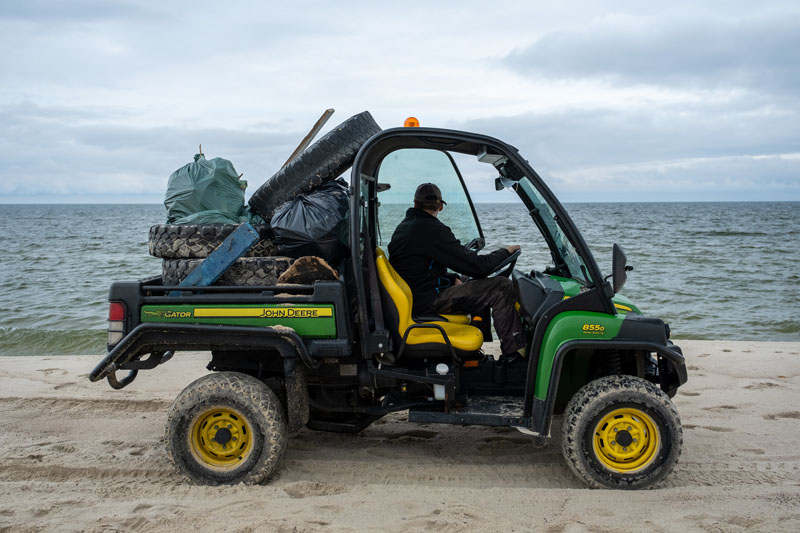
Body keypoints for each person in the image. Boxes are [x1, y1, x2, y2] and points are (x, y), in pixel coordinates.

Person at [387, 183, 526, 358]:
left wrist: (451, 278)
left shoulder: (407, 226)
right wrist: (506, 250)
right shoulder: (431, 229)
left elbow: (421, 267)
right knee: (501, 287)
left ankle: (475, 351)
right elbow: (479, 267)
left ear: (415, 204)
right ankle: (515, 354)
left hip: (416, 294)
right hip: (426, 300)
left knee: (467, 279)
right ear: (441, 206)